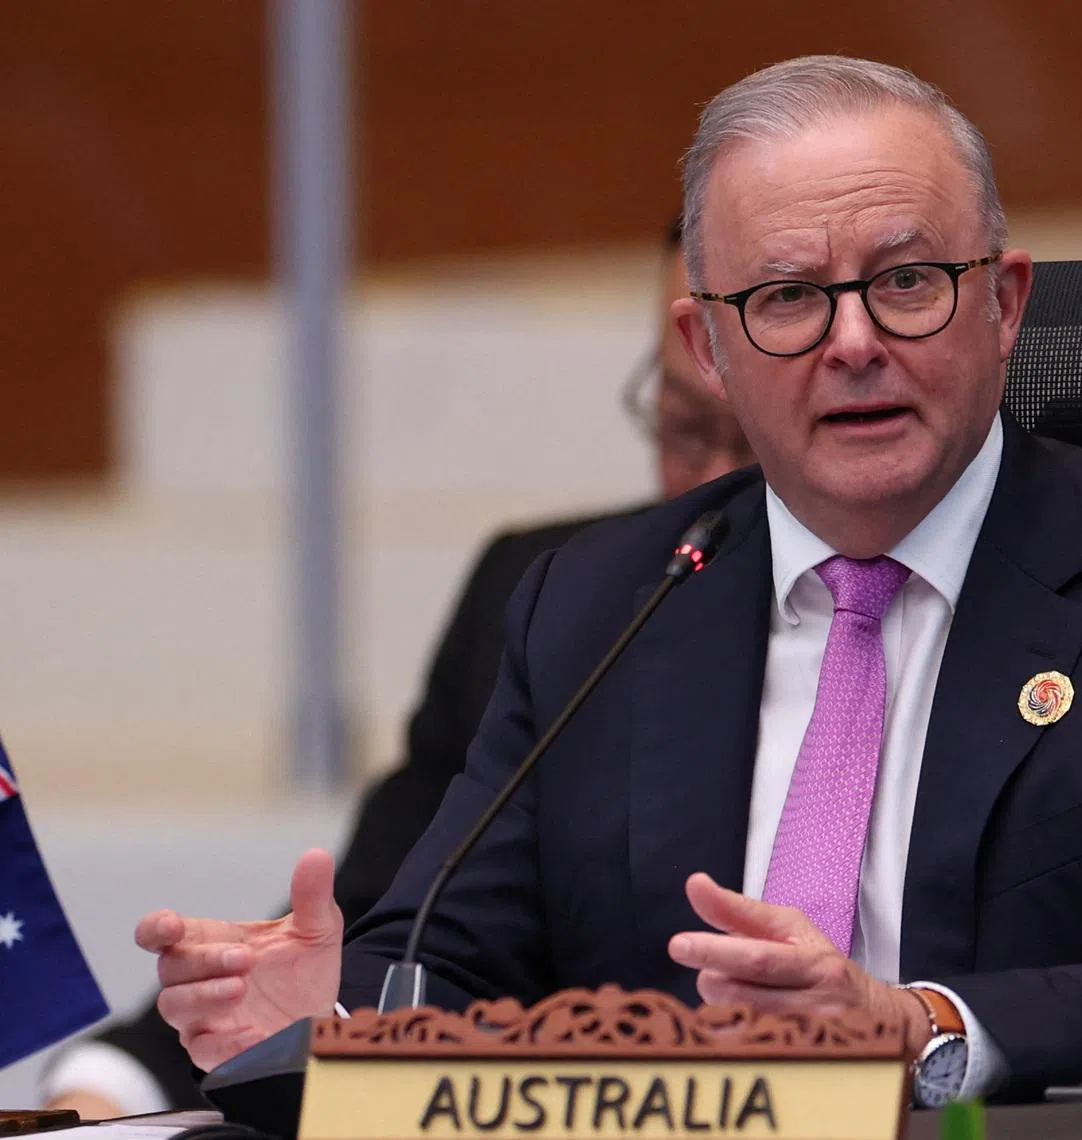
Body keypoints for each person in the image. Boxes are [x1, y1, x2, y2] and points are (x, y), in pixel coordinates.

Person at [137, 55, 1082, 1106]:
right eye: (788, 297)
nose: (854, 342)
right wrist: (328, 1026)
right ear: (706, 347)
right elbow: (453, 955)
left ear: (1006, 303)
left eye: (905, 283)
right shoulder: (600, 603)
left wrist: (922, 1027)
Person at [41, 221, 753, 1116]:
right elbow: (385, 914)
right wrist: (114, 1086)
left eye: (753, 444)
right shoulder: (547, 599)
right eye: (685, 433)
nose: (717, 487)